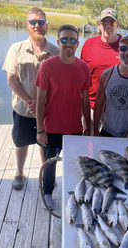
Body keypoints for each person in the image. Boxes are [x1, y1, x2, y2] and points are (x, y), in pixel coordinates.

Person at [3, 7, 60, 191]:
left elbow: (60, 84)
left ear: (46, 25)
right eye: (33, 22)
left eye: (41, 22)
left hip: (47, 113)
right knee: (21, 143)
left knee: (46, 146)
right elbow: (11, 80)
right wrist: (30, 101)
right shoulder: (16, 49)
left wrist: (43, 104)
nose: (37, 25)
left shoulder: (56, 51)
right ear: (27, 25)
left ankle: (45, 175)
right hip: (23, 109)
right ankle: (20, 173)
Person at [35, 25, 91, 210]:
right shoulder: (47, 66)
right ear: (58, 42)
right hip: (50, 128)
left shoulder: (84, 68)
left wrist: (88, 128)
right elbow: (40, 100)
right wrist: (40, 130)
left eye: (72, 40)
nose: (68, 44)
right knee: (49, 164)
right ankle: (48, 192)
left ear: (78, 43)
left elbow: (85, 101)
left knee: (73, 164)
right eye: (64, 40)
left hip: (74, 128)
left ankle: (73, 192)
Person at [94, 33, 128, 137]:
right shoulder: (106, 75)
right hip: (107, 132)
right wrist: (95, 129)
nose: (127, 52)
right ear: (119, 50)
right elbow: (99, 103)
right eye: (123, 48)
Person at [80, 8, 121, 132]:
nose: (107, 26)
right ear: (99, 25)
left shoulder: (125, 45)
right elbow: (81, 77)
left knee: (110, 147)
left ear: (117, 25)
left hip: (116, 108)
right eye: (104, 23)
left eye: (111, 23)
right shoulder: (89, 44)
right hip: (92, 106)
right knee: (89, 143)